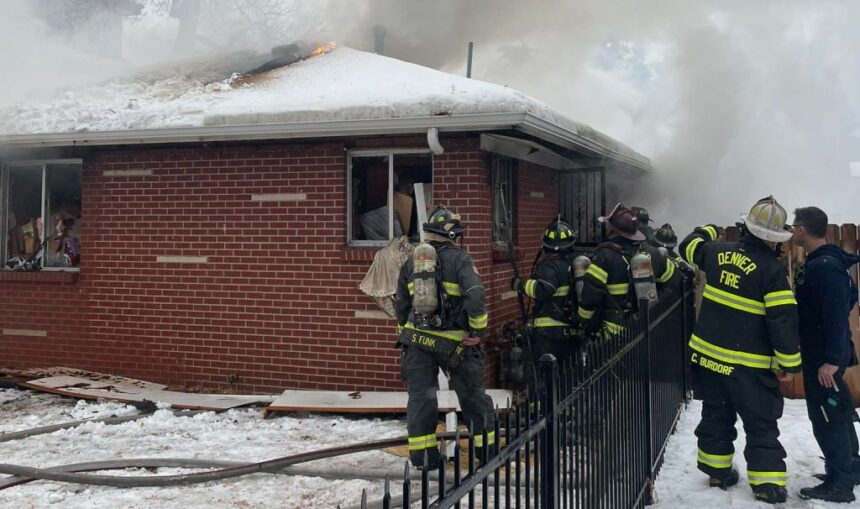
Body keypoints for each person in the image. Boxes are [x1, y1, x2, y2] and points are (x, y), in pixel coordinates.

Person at [680, 196, 802, 504]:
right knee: (761, 423)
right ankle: (766, 484)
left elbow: (688, 246)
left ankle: (718, 472)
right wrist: (790, 364)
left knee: (716, 415)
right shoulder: (772, 272)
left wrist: (707, 228)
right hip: (748, 367)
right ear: (775, 240)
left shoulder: (715, 252)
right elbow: (782, 322)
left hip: (709, 359)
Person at [394, 206, 495, 469]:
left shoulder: (411, 263)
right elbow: (475, 296)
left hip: (417, 343)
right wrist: (477, 332)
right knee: (473, 397)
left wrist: (407, 335)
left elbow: (401, 305)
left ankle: (424, 458)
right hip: (456, 345)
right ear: (453, 236)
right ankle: (487, 454)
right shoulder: (460, 260)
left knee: (421, 398)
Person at [792, 206, 860, 503]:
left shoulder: (824, 267)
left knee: (827, 418)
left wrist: (831, 360)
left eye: (794, 226)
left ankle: (839, 484)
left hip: (824, 361)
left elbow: (834, 313)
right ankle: (852, 467)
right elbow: (851, 296)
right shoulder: (829, 262)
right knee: (840, 413)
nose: (792, 230)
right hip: (827, 355)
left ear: (803, 230)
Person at [579, 204, 676, 340]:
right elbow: (673, 281)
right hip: (646, 326)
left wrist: (583, 321)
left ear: (613, 230)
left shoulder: (605, 257)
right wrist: (656, 308)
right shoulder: (652, 252)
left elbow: (590, 296)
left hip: (614, 333)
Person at [511, 219, 582, 377]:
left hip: (550, 333)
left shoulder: (550, 265)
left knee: (544, 376)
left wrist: (521, 285)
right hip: (573, 329)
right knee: (569, 375)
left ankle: (543, 402)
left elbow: (545, 289)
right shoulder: (575, 264)